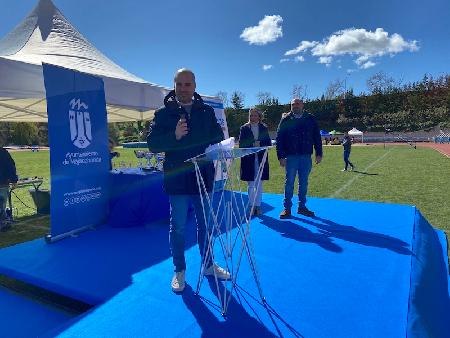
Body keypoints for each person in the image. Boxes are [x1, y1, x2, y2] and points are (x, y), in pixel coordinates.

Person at [147, 68, 230, 293]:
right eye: (179, 84)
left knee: (206, 225)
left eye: (188, 84)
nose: (184, 88)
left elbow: (216, 138)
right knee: (179, 228)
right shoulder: (163, 114)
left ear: (194, 86)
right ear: (174, 86)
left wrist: (220, 143)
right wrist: (174, 136)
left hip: (203, 177)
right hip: (178, 180)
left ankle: (208, 264)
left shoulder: (206, 112)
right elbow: (153, 144)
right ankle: (179, 270)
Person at [276, 98, 322, 219]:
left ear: (302, 105)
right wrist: (281, 156)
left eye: (297, 104)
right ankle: (287, 208)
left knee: (304, 183)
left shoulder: (310, 118)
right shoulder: (285, 119)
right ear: (290, 106)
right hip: (291, 157)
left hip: (306, 156)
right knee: (289, 182)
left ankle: (302, 207)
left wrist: (319, 153)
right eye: (293, 104)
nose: (295, 106)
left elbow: (316, 136)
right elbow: (279, 138)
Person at [238, 108, 271, 216]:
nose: (253, 117)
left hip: (261, 158)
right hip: (248, 159)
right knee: (251, 184)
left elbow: (268, 143)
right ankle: (252, 206)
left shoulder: (264, 128)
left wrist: (260, 144)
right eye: (251, 115)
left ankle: (258, 206)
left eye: (255, 115)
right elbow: (241, 144)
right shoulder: (244, 128)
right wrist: (252, 145)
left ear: (259, 116)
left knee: (259, 184)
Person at [0, 146, 18, 230]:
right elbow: (11, 166)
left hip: (3, 183)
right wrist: (14, 180)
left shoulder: (3, 152)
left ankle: (3, 223)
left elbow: (10, 166)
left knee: (1, 205)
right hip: (3, 183)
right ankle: (4, 222)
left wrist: (14, 180)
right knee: (1, 205)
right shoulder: (3, 152)